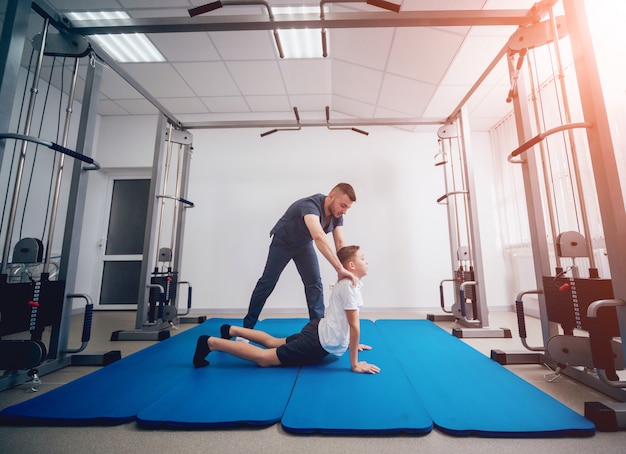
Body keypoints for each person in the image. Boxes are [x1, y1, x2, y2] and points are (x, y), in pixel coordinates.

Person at [193, 245, 380, 374]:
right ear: (351, 266)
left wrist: (349, 343)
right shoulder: (349, 287)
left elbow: (340, 319)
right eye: (363, 258)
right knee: (265, 359)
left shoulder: (349, 284)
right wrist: (355, 364)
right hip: (316, 342)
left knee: (274, 342)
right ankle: (210, 343)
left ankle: (230, 330)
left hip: (317, 330)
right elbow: (354, 326)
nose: (367, 261)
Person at [242, 183, 358, 329]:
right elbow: (319, 237)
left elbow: (340, 243)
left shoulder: (337, 215)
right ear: (331, 196)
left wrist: (348, 270)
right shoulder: (310, 206)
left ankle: (318, 333)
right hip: (283, 243)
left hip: (303, 245)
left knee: (315, 285)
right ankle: (246, 329)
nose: (344, 211)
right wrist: (339, 269)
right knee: (267, 283)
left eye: (347, 207)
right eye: (343, 205)